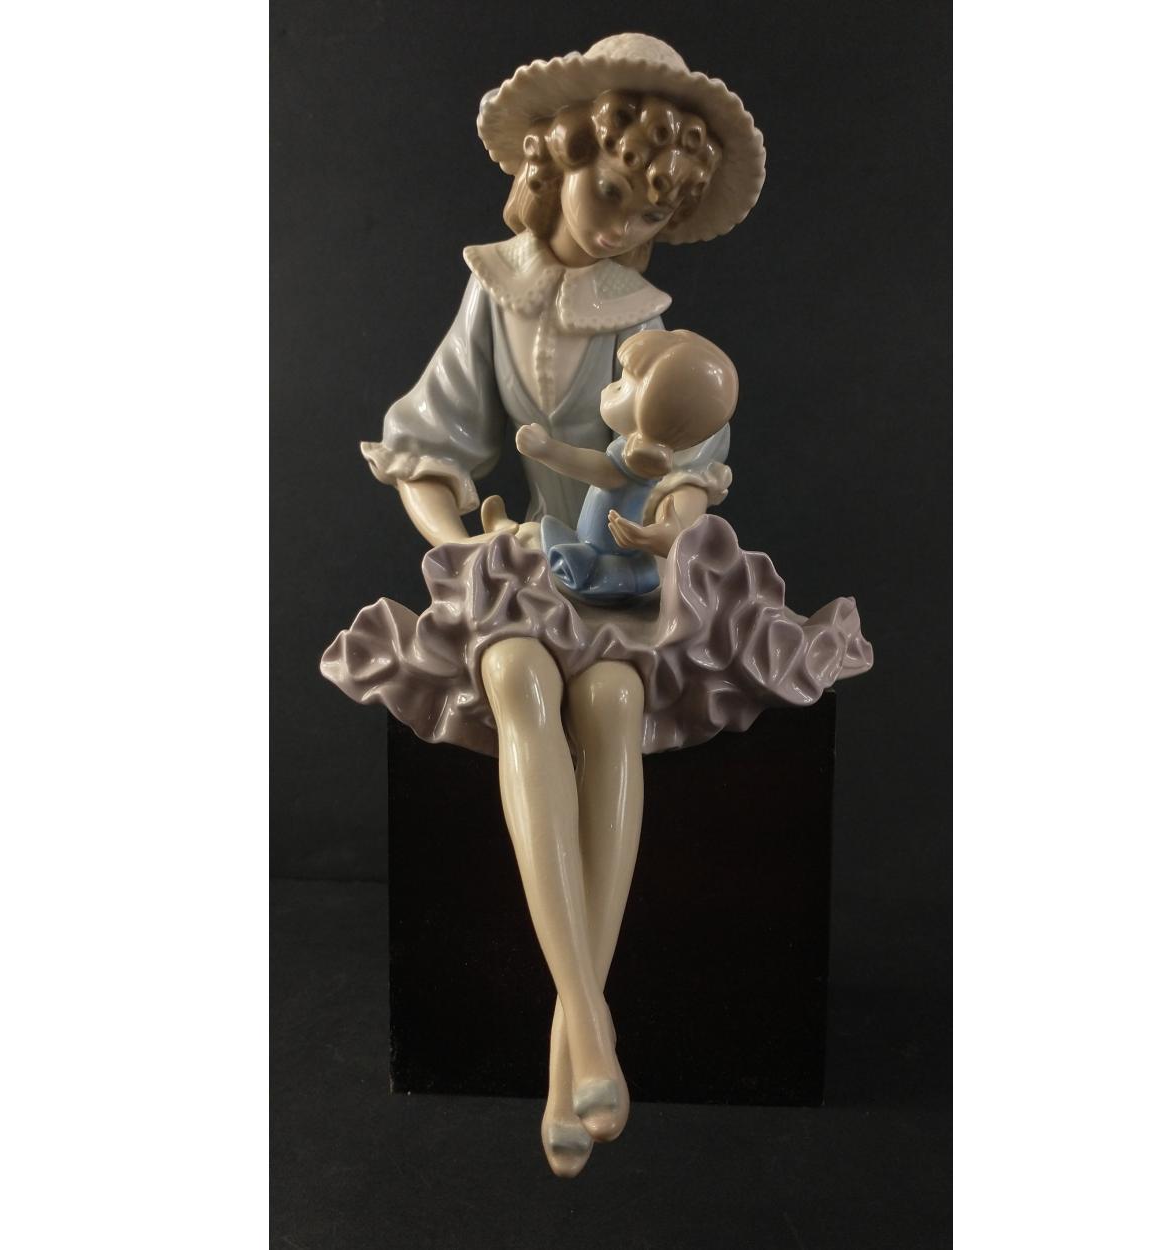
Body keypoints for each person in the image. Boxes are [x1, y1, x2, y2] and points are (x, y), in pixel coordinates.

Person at [320, 34, 872, 1177]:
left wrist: (671, 515)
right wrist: (459, 538)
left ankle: (571, 1039)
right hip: (524, 561)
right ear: (555, 161)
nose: (621, 230)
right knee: (519, 680)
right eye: (610, 195)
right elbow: (426, 442)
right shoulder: (493, 294)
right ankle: (588, 1025)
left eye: (647, 216)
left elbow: (682, 457)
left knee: (614, 701)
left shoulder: (642, 317)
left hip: (614, 574)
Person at [518, 328, 739, 602]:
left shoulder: (626, 469)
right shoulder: (638, 460)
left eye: (622, 387)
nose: (609, 387)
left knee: (533, 546)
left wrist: (546, 449)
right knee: (533, 536)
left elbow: (583, 464)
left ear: (651, 415)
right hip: (600, 545)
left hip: (598, 555)